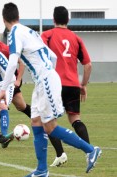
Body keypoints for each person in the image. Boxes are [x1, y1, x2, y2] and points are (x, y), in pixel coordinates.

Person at [0, 3, 101, 176]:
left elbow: (12, 61)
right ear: (18, 16)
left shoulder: (14, 33)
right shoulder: (29, 31)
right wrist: (47, 72)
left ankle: (91, 150)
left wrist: (3, 88)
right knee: (36, 123)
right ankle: (41, 170)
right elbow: (51, 55)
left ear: (4, 19)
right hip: (44, 80)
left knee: (50, 127)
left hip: (45, 80)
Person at [41, 6, 93, 167]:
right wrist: (83, 84)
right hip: (73, 85)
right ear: (68, 20)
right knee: (75, 119)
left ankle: (60, 154)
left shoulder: (47, 35)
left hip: (55, 84)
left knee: (48, 121)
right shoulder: (76, 38)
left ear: (53, 19)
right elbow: (88, 65)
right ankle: (90, 152)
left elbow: (40, 55)